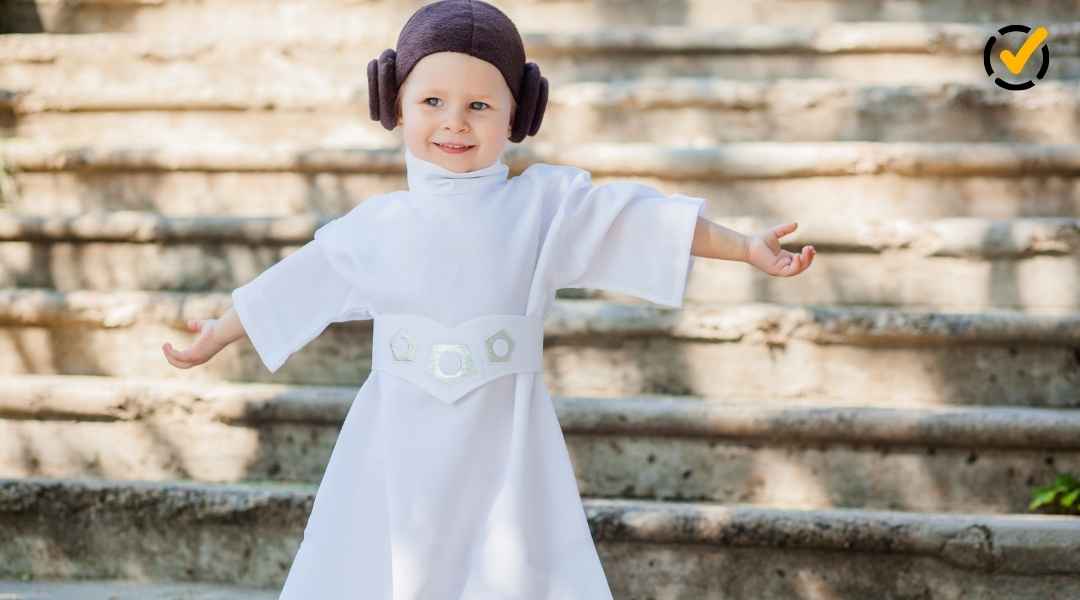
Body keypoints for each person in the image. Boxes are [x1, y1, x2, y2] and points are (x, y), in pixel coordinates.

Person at [162, 0, 815, 597]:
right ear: (393, 101)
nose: (454, 122)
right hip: (396, 446)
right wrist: (216, 331)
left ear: (517, 114)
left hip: (505, 444)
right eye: (433, 101)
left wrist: (745, 247)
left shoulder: (544, 208)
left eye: (479, 106)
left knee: (508, 568)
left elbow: (638, 220)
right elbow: (297, 284)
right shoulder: (376, 226)